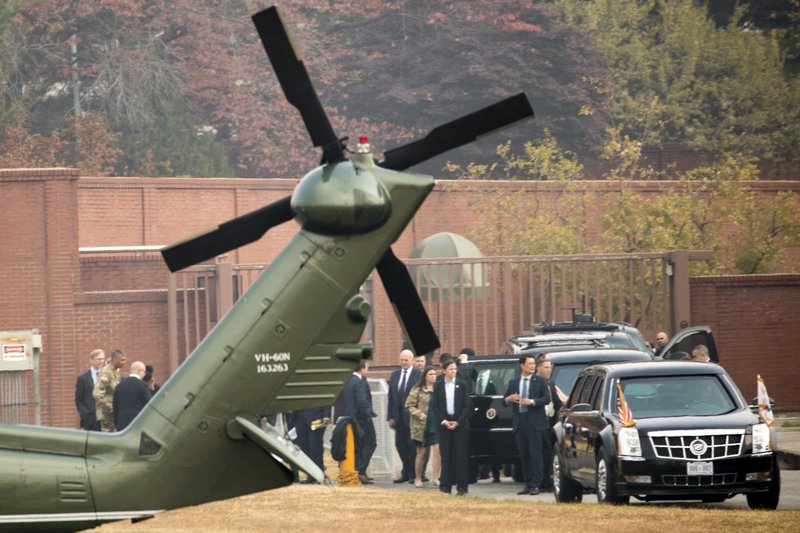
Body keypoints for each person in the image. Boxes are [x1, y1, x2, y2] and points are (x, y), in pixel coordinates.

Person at [504, 354, 550, 495]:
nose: (532, 366)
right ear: (522, 365)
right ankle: (528, 483)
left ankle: (537, 484)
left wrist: (533, 402)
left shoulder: (540, 381)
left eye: (533, 364)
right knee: (524, 455)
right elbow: (503, 401)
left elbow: (547, 399)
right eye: (529, 363)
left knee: (536, 454)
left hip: (535, 422)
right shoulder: (513, 382)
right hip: (520, 421)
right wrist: (509, 399)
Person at [432, 359, 470, 495]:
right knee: (446, 455)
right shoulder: (438, 385)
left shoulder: (462, 384)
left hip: (459, 425)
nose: (453, 371)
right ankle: (445, 485)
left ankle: (462, 487)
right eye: (451, 369)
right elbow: (435, 406)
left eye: (455, 369)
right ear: (444, 371)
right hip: (444, 424)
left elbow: (466, 406)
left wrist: (458, 422)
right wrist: (444, 421)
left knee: (460, 456)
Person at [335, 361, 376, 485]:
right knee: (371, 443)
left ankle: (358, 472)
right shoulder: (359, 382)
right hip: (360, 419)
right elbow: (362, 401)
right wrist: (369, 414)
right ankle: (360, 470)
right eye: (367, 368)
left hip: (345, 419)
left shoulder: (344, 381)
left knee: (356, 447)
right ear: (362, 369)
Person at [386, 349, 420, 483]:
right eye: (402, 360)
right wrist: (390, 416)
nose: (404, 362)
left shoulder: (418, 375)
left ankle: (412, 473)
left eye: (406, 360)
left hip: (411, 415)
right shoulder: (395, 375)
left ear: (412, 361)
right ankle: (405, 471)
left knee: (412, 445)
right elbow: (390, 397)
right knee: (400, 444)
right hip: (397, 415)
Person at [405, 365, 440, 488]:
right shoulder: (417, 390)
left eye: (435, 374)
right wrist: (419, 413)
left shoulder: (438, 388)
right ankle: (418, 477)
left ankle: (435, 477)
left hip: (435, 423)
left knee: (438, 450)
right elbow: (408, 405)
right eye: (430, 374)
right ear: (425, 376)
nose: (433, 377)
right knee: (421, 452)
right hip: (421, 425)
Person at [535, 356, 563, 492]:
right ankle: (539, 481)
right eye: (546, 367)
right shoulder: (534, 383)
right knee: (539, 453)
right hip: (538, 422)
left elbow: (557, 402)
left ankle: (547, 480)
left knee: (549, 453)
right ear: (538, 368)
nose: (549, 370)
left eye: (550, 367)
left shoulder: (550, 384)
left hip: (550, 422)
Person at [291, 405, 332, 482]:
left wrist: (327, 415)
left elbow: (325, 397)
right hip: (298, 416)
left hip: (317, 417)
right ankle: (311, 474)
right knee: (303, 446)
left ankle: (318, 475)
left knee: (315, 447)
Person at [93, 348, 127, 432]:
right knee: (107, 439)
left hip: (113, 415)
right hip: (107, 415)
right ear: (115, 359)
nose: (124, 362)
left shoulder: (115, 372)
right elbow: (97, 394)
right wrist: (111, 408)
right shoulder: (106, 372)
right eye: (122, 360)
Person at [112, 360, 152, 431]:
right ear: (140, 371)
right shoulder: (143, 386)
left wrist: (116, 424)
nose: (144, 374)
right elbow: (148, 405)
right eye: (144, 372)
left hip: (121, 424)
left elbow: (115, 407)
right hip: (137, 424)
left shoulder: (119, 386)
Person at [75, 349, 105, 430]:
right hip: (91, 420)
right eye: (99, 359)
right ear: (91, 360)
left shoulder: (107, 376)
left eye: (103, 359)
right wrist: (86, 414)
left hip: (106, 420)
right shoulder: (83, 379)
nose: (101, 361)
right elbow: (79, 400)